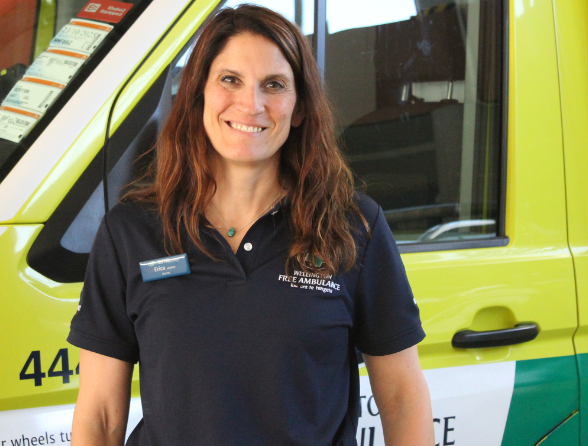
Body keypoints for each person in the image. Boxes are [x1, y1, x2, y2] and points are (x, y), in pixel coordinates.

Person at [67, 4, 432, 445]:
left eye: (274, 85)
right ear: (199, 93)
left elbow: (402, 398)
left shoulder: (353, 226)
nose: (251, 104)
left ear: (299, 108)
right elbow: (101, 416)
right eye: (230, 80)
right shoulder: (131, 232)